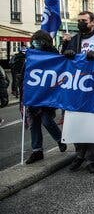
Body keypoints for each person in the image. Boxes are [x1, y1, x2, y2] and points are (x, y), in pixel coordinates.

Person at [62, 11, 94, 173]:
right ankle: (79, 154)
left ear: (93, 22)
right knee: (76, 121)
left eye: (84, 20)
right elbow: (64, 60)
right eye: (79, 21)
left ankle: (91, 159)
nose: (81, 23)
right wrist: (66, 50)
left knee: (92, 122)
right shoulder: (74, 39)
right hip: (77, 86)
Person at [22, 30, 67, 164]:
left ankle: (60, 139)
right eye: (34, 41)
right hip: (32, 93)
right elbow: (25, 72)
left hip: (48, 93)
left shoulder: (53, 55)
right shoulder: (30, 55)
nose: (36, 44)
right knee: (33, 123)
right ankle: (37, 150)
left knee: (46, 120)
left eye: (39, 41)